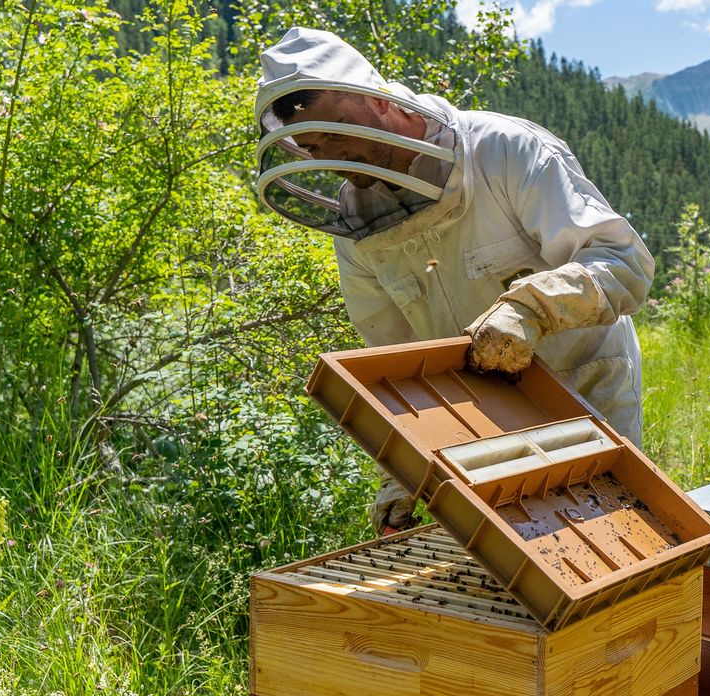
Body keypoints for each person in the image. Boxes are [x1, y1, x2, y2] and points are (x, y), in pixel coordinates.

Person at [253, 28, 654, 534]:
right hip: (480, 420)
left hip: (585, 387)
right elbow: (397, 365)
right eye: (312, 145)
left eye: (336, 132)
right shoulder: (356, 227)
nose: (329, 155)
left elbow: (624, 263)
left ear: (375, 101)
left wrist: (532, 308)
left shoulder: (503, 151)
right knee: (519, 569)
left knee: (610, 541)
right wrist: (402, 470)